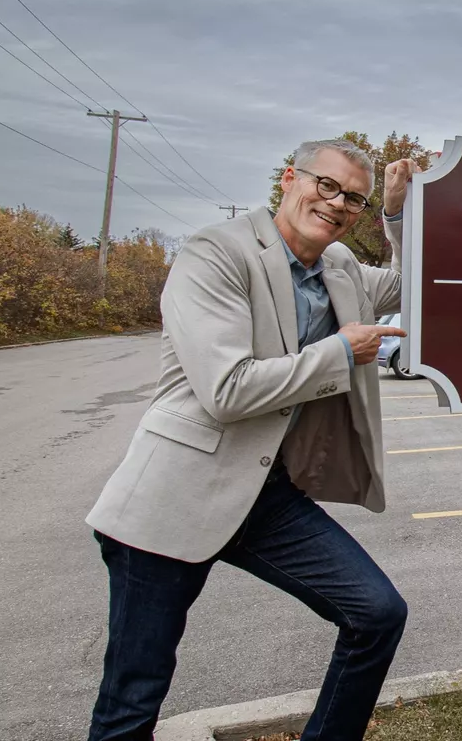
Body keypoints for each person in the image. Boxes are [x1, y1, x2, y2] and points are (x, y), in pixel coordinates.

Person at [84, 138, 422, 741]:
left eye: (354, 199)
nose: (338, 204)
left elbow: (411, 280)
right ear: (290, 178)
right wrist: (341, 352)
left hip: (266, 494)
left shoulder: (341, 267)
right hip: (174, 495)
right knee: (135, 694)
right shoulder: (215, 253)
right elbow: (227, 390)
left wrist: (396, 212)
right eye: (327, 186)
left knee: (376, 614)